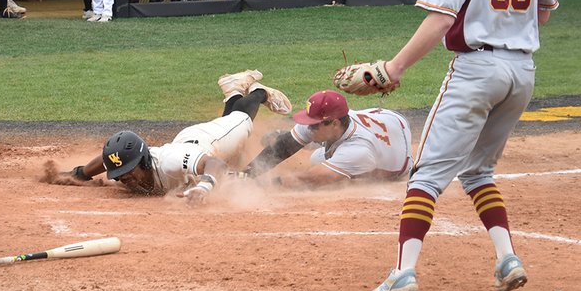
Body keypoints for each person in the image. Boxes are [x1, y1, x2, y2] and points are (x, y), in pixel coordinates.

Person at [365, 0, 558, 291]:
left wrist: (394, 68)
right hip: (522, 72)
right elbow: (543, 14)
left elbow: (438, 21)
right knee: (478, 171)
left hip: (477, 70)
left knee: (426, 176)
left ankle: (403, 273)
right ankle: (508, 258)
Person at [61, 69, 291, 201]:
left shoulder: (171, 162)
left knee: (240, 121)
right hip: (189, 141)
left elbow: (215, 164)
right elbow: (108, 159)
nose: (124, 179)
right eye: (119, 175)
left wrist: (204, 187)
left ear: (143, 162)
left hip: (210, 142)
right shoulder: (133, 163)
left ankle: (259, 92)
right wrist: (80, 174)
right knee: (226, 122)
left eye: (127, 173)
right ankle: (232, 89)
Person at [244, 90, 412, 185]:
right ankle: (318, 143)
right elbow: (284, 146)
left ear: (335, 123)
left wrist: (262, 184)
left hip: (399, 155)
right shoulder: (332, 121)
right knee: (304, 142)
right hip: (385, 117)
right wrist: (247, 174)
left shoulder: (358, 150)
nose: (309, 128)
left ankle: (317, 145)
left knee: (317, 160)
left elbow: (313, 177)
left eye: (314, 125)